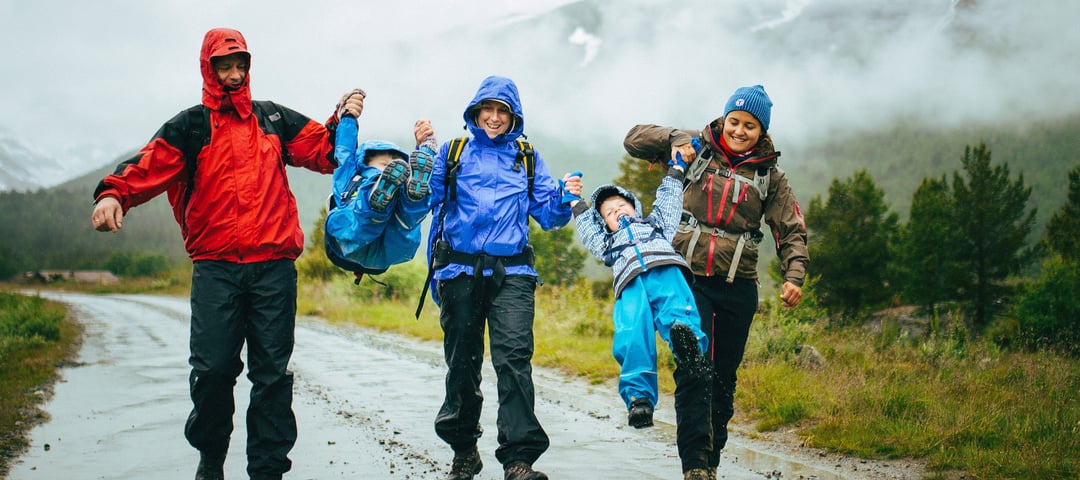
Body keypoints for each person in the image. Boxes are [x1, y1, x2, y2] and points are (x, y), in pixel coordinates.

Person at [90, 27, 365, 480]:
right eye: (225, 66)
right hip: (216, 268)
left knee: (272, 376)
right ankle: (211, 458)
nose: (234, 74)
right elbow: (149, 164)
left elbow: (325, 151)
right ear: (209, 69)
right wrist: (113, 195)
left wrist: (343, 117)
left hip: (273, 269)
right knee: (214, 371)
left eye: (240, 65)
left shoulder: (273, 119)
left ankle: (268, 469)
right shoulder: (191, 126)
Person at [623, 84, 809, 480]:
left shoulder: (770, 177)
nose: (740, 131)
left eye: (750, 126)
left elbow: (791, 230)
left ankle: (711, 460)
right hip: (688, 283)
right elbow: (634, 139)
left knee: (723, 379)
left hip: (737, 288)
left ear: (762, 131)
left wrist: (795, 275)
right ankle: (694, 466)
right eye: (735, 121)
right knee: (694, 369)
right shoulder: (696, 149)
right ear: (724, 119)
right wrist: (675, 138)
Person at [426, 75, 582, 480]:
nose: (494, 118)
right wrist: (422, 158)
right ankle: (464, 449)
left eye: (503, 111)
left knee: (514, 360)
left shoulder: (527, 157)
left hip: (513, 271)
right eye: (488, 110)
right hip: (459, 269)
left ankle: (518, 460)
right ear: (475, 112)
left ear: (514, 117)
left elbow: (548, 217)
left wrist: (564, 198)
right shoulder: (453, 151)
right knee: (462, 362)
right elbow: (431, 202)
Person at [569, 161, 714, 479]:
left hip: (664, 266)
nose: (617, 212)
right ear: (604, 224)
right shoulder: (607, 245)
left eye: (621, 205)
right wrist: (576, 203)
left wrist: (675, 172)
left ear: (634, 207)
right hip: (629, 280)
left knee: (680, 314)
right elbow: (588, 231)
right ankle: (639, 399)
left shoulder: (656, 225)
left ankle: (690, 355)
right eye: (609, 213)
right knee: (632, 335)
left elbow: (669, 202)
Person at [323, 111, 437, 276]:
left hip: (381, 245)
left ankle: (402, 199)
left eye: (395, 167)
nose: (391, 168)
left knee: (409, 201)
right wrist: (348, 117)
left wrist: (426, 147)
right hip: (355, 241)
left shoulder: (403, 183)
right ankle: (379, 199)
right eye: (384, 164)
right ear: (365, 163)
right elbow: (344, 152)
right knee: (404, 216)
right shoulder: (351, 175)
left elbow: (421, 173)